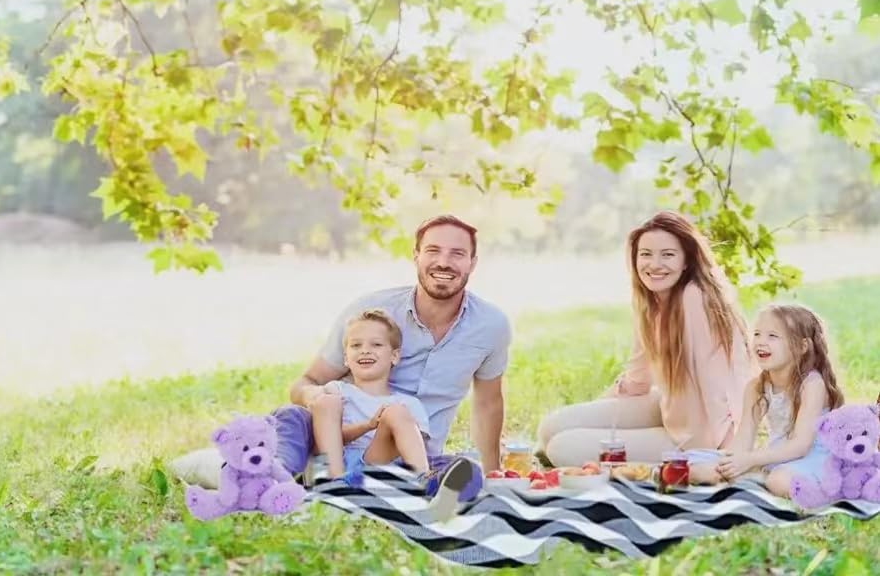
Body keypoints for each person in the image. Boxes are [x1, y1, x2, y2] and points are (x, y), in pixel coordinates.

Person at [170, 214, 511, 518]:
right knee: (290, 416)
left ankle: (429, 488)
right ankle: (276, 481)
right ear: (416, 256)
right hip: (334, 441)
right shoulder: (371, 310)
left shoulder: (490, 326)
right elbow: (305, 383)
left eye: (457, 254)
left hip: (410, 455)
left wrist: (494, 471)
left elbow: (488, 403)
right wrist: (320, 399)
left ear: (473, 262)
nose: (444, 262)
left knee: (466, 471)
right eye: (433, 250)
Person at [537, 210, 753, 466]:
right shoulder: (650, 303)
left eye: (668, 255)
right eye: (646, 254)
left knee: (563, 448)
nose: (654, 264)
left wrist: (729, 448)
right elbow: (637, 380)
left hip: (696, 439)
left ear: (687, 261)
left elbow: (720, 382)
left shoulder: (695, 298)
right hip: (669, 407)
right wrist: (599, 413)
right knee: (551, 428)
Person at [692, 304, 844, 496]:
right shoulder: (756, 387)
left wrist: (750, 460)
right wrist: (729, 463)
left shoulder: (812, 384)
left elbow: (801, 446)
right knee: (701, 468)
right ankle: (755, 477)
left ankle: (830, 486)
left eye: (773, 336)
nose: (761, 342)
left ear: (802, 346)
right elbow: (743, 440)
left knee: (779, 481)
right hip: (775, 456)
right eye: (757, 334)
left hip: (813, 459)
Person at [313, 309, 431, 485]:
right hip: (342, 465)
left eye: (376, 344)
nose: (365, 351)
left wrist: (387, 423)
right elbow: (326, 437)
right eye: (356, 345)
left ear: (394, 356)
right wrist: (367, 426)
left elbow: (414, 445)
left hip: (379, 464)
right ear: (346, 358)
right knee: (325, 401)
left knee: (396, 413)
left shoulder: (408, 404)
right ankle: (334, 483)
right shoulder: (338, 391)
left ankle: (424, 479)